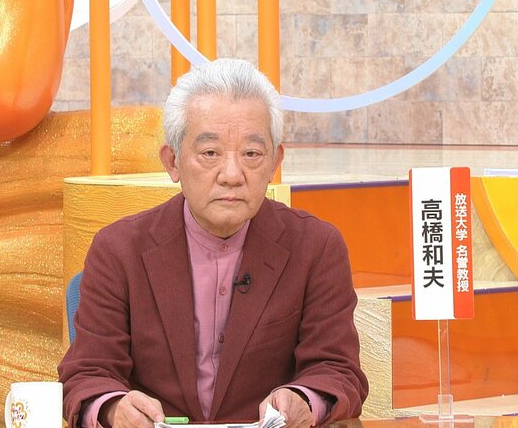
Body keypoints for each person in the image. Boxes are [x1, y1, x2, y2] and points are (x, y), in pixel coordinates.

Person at [58, 58, 368, 428]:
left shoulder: (316, 247)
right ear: (173, 161)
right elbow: (87, 374)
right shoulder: (118, 250)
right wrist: (113, 408)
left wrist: (304, 400)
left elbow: (338, 369)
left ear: (275, 161)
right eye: (210, 153)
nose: (232, 175)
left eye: (251, 154)